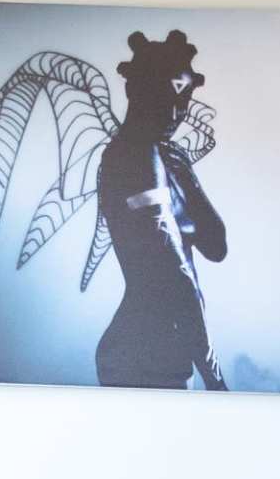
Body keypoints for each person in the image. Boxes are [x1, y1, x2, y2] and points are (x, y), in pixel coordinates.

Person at [92, 29, 229, 389]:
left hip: (163, 351)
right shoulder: (130, 155)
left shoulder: (168, 157)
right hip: (140, 354)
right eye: (162, 97)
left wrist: (183, 170)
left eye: (182, 100)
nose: (173, 112)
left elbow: (216, 246)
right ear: (137, 93)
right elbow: (173, 273)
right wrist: (214, 375)